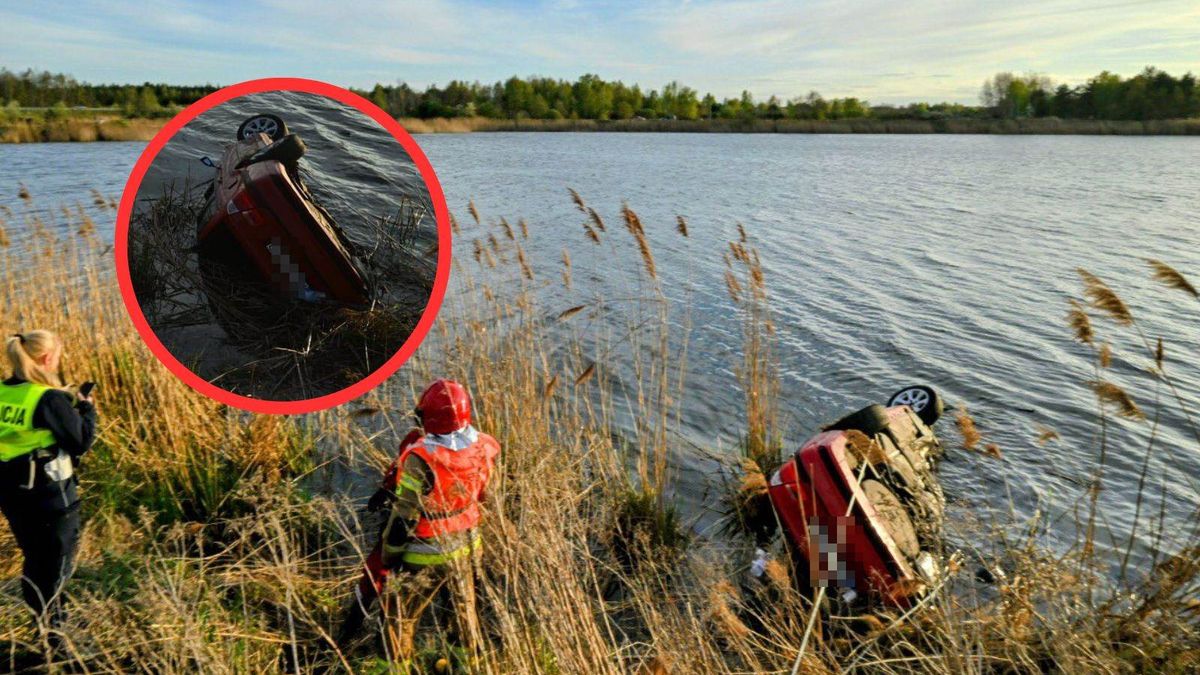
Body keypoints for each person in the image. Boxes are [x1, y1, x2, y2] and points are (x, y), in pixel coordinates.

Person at [337, 378, 500, 663]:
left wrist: (388, 557)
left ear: (426, 416)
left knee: (399, 619)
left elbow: (404, 519)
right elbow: (488, 497)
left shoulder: (420, 458)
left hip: (425, 554)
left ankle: (395, 666)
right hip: (469, 547)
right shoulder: (484, 447)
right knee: (463, 614)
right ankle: (462, 664)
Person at [0, 330, 97, 633]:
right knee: (56, 567)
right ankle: (54, 634)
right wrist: (87, 410)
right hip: (52, 500)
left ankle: (44, 621)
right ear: (46, 358)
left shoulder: (3, 392)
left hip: (13, 496)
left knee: (34, 559)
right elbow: (80, 441)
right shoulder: (49, 399)